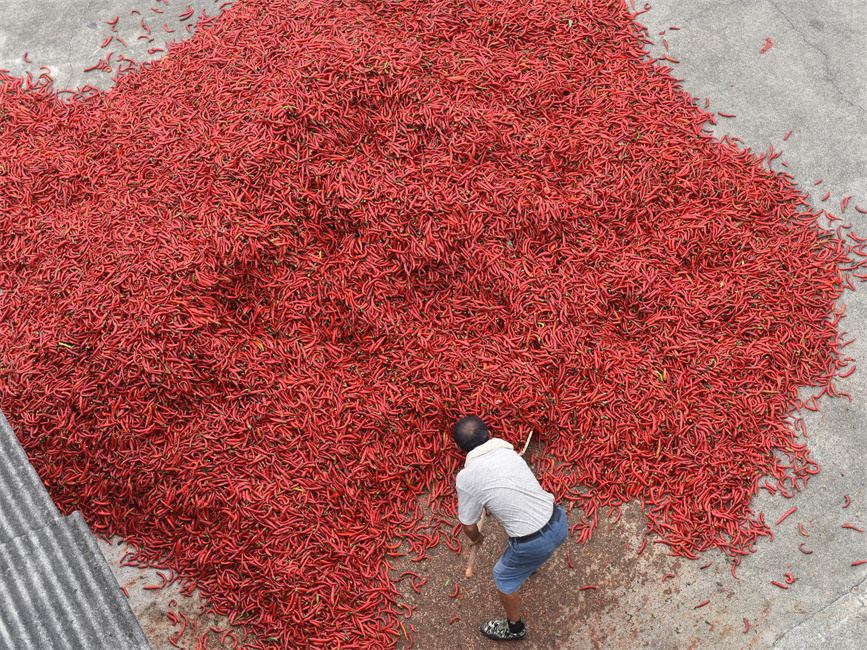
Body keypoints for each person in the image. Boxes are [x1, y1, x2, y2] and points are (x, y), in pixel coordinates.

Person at [453, 415, 567, 642]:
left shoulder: (466, 477)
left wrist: (476, 538)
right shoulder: (507, 452)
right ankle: (530, 565)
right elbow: (510, 491)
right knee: (524, 542)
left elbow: (468, 527)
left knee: (502, 576)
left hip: (534, 545)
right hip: (559, 521)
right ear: (488, 434)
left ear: (459, 448)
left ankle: (514, 629)